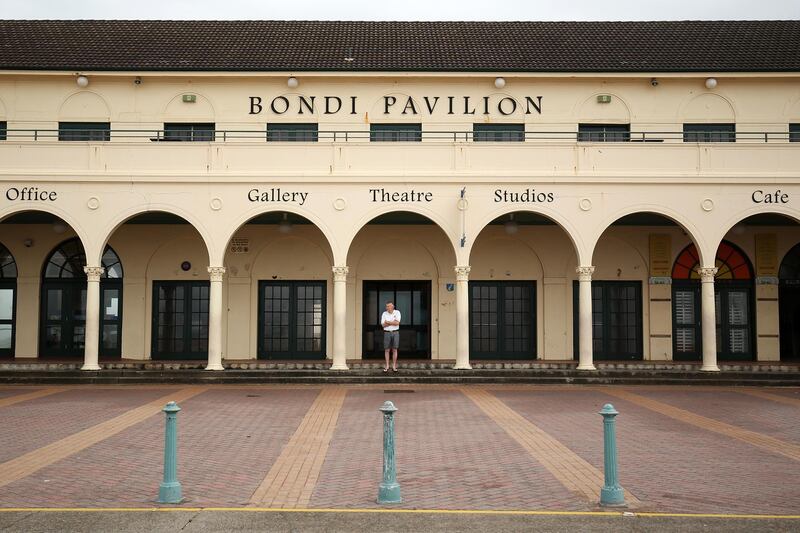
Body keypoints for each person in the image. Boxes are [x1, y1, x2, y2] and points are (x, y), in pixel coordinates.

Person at [381, 301, 401, 372]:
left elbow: (397, 323)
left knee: (395, 349)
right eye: (386, 306)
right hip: (387, 333)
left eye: (388, 306)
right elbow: (383, 325)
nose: (387, 308)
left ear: (392, 307)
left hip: (395, 332)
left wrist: (388, 322)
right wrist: (393, 322)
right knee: (387, 350)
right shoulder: (384, 314)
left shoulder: (397, 312)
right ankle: (387, 366)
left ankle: (394, 366)